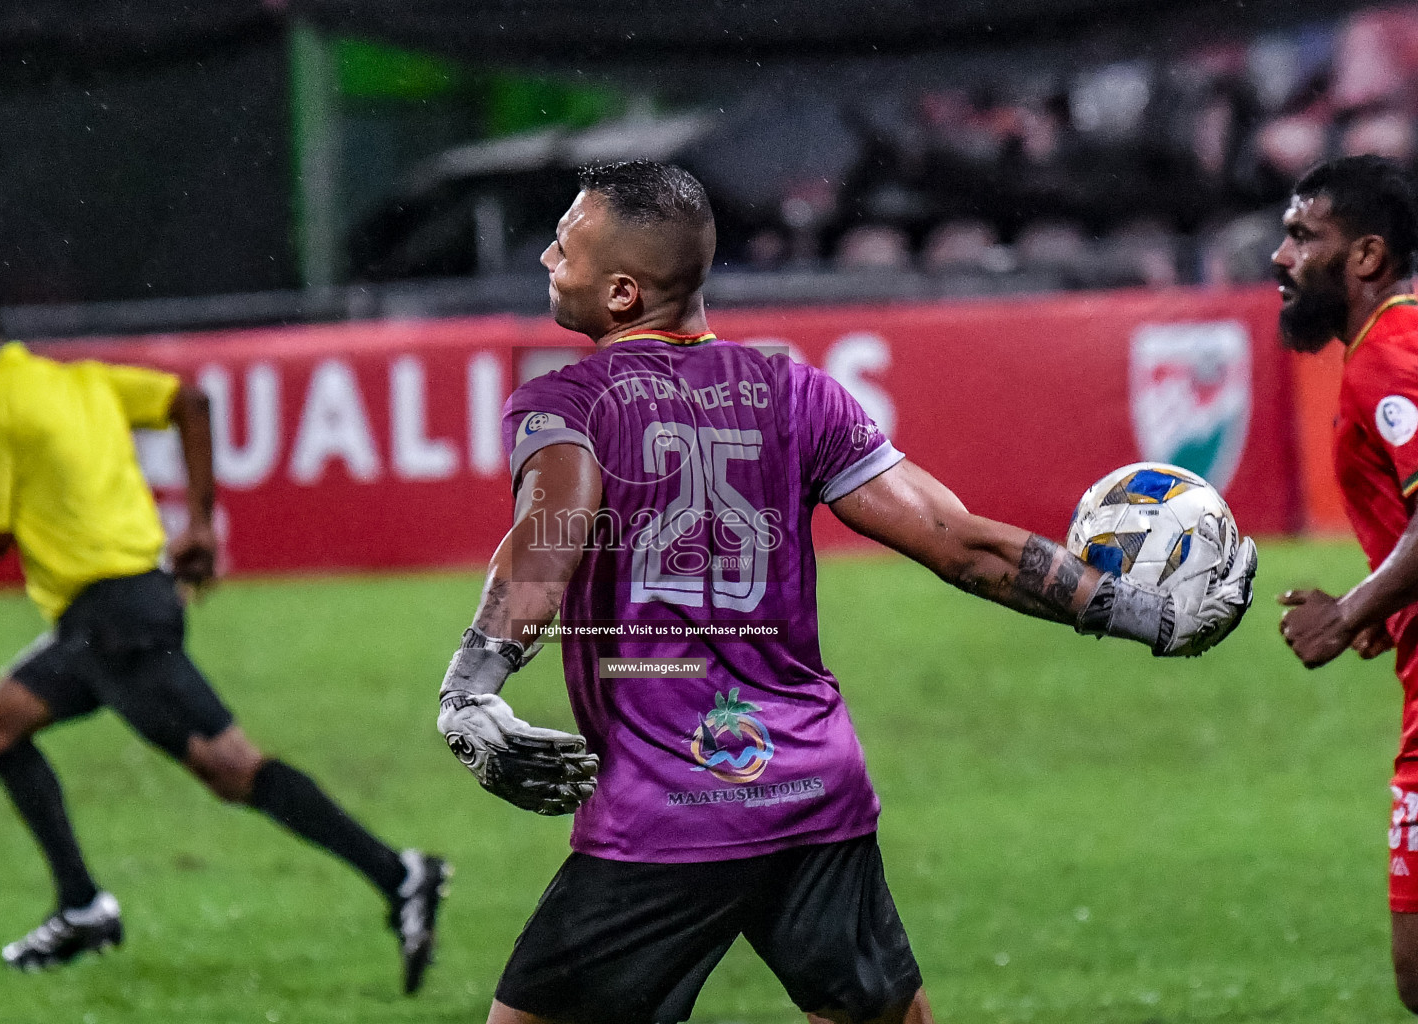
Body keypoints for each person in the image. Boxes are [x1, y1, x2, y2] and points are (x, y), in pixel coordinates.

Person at [434, 160, 1257, 1024]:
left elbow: (547, 541)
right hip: (808, 794)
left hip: (667, 814)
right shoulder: (799, 393)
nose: (545, 260)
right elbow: (958, 542)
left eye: (563, 250)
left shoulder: (566, 401)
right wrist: (1147, 613)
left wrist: (471, 685)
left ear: (625, 293)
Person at [0, 279, 448, 991]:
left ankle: (399, 875)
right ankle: (81, 906)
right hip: (120, 608)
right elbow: (191, 401)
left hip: (113, 623)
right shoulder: (79, 380)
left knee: (232, 768)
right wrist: (201, 522)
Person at [1274, 154, 1418, 1014]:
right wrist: (1390, 603)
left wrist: (1351, 611)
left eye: (1301, 237)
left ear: (1366, 256)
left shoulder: (1388, 358)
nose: (1280, 258)